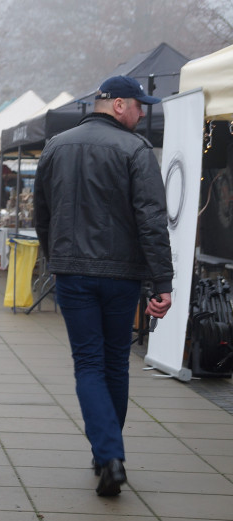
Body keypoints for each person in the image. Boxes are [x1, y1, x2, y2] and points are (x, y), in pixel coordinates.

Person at [34, 75, 173, 497]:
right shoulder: (136, 150)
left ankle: (108, 454)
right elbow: (152, 219)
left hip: (74, 273)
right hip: (121, 275)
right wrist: (161, 281)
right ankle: (108, 454)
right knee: (115, 363)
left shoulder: (56, 146)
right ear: (118, 105)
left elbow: (43, 212)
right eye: (139, 105)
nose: (142, 113)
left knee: (89, 364)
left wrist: (56, 257)